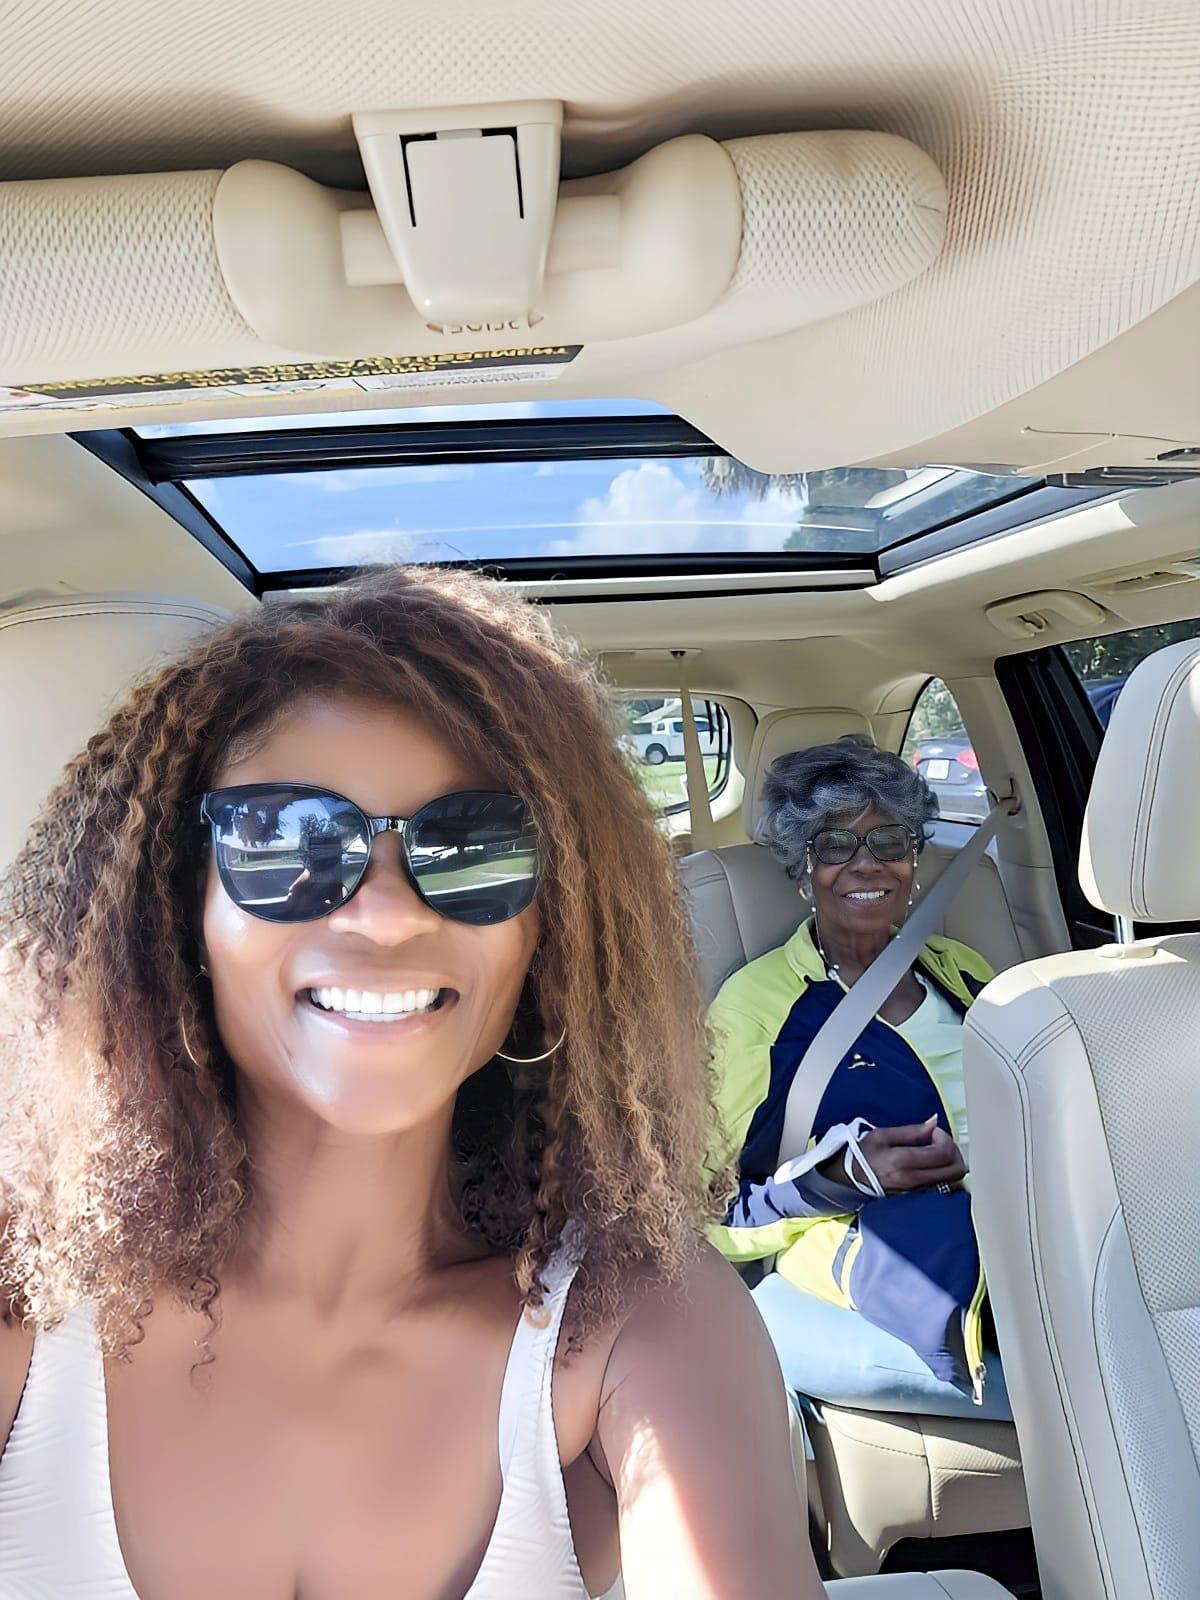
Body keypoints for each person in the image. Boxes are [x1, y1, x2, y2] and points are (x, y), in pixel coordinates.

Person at [0, 568, 823, 1599]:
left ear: (546, 930)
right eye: (288, 840)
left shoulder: (639, 1321)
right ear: (183, 906)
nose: (386, 915)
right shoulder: (21, 1296)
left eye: (474, 846)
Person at [707, 736, 1011, 1416]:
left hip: (1030, 1236)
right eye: (835, 845)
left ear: (914, 860)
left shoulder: (963, 971)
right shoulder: (758, 1004)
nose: (866, 864)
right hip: (903, 1269)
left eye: (889, 842)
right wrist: (831, 1182)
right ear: (800, 871)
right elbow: (708, 1212)